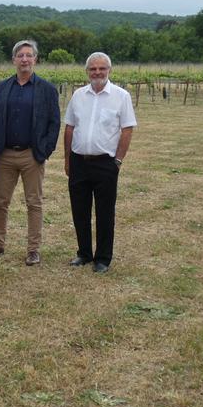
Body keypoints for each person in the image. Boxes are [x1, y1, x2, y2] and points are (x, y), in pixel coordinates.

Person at [0, 40, 60, 266]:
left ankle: (33, 249)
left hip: (31, 155)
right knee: (1, 201)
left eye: (29, 55)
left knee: (34, 203)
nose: (25, 59)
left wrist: (44, 151)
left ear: (36, 59)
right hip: (4, 155)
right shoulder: (3, 87)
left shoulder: (47, 89)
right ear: (13, 60)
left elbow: (54, 123)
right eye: (20, 55)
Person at [64, 52, 137, 273]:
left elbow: (127, 129)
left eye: (101, 68)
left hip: (106, 163)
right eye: (93, 69)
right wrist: (67, 159)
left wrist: (118, 160)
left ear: (109, 70)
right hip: (79, 161)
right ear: (87, 71)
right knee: (80, 210)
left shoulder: (120, 96)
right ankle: (83, 253)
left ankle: (103, 258)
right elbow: (69, 127)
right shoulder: (78, 95)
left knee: (105, 212)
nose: (97, 72)